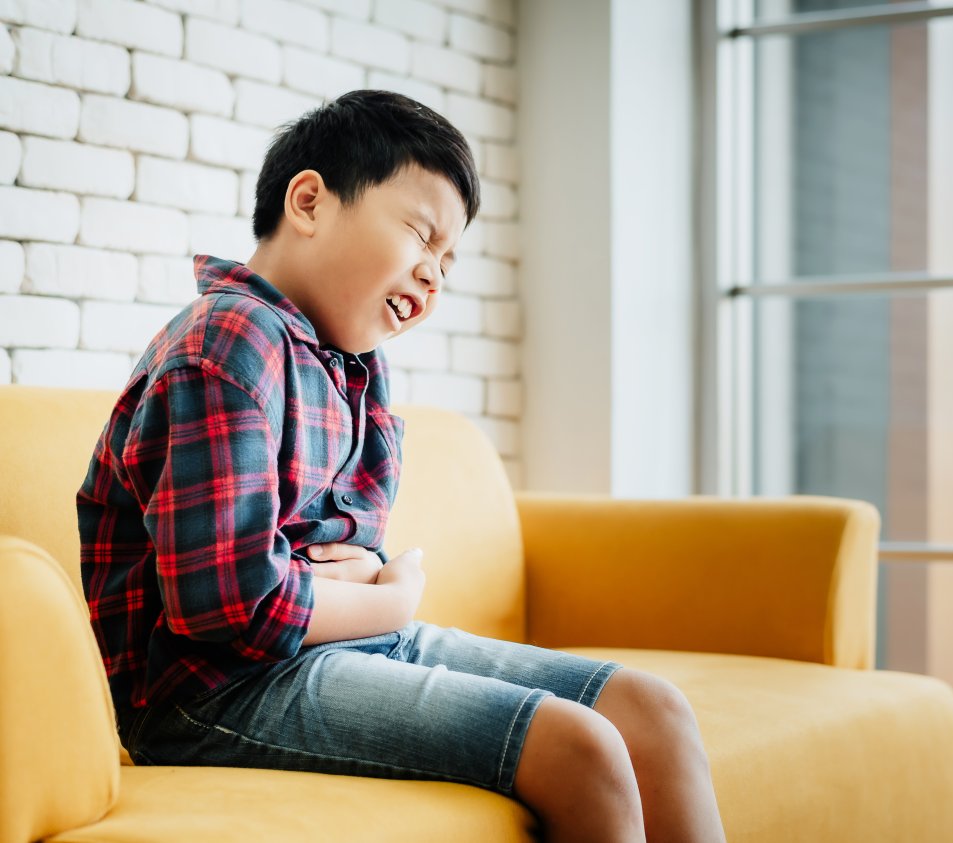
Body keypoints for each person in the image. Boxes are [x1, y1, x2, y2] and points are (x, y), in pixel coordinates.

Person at [76, 89, 725, 843]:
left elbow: (353, 547)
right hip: (211, 691)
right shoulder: (229, 340)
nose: (434, 276)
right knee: (578, 746)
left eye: (448, 261)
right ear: (311, 201)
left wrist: (343, 582)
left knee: (653, 710)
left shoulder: (355, 365)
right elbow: (232, 607)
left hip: (331, 647)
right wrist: (390, 599)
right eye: (422, 235)